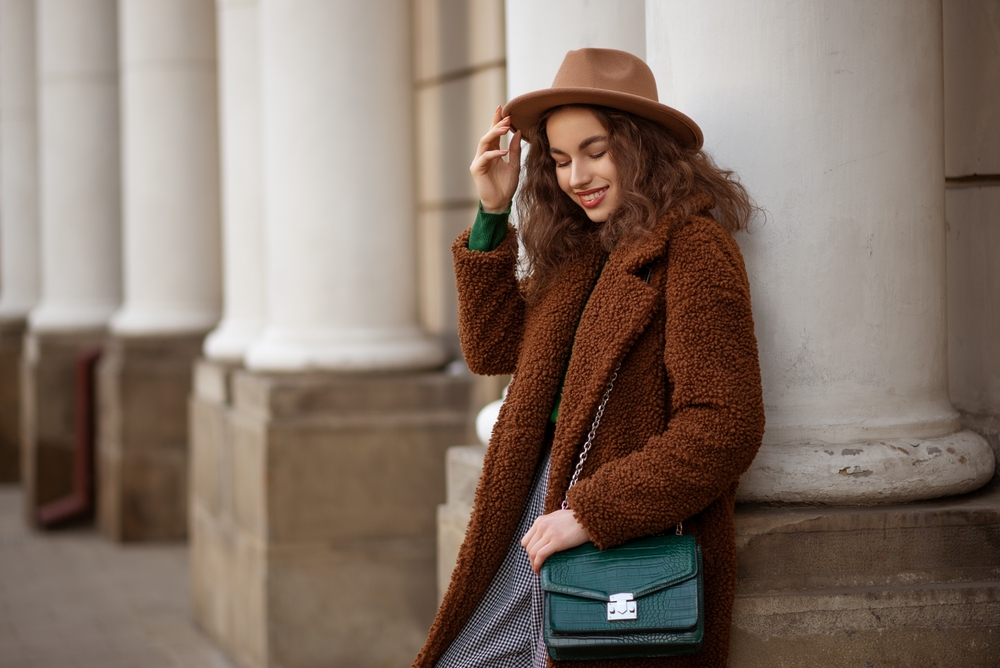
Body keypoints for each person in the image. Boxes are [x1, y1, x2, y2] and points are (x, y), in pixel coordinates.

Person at [414, 48, 765, 668]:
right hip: (530, 511)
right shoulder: (577, 253)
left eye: (596, 151)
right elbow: (492, 349)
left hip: (612, 531)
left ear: (644, 147)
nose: (577, 176)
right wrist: (493, 212)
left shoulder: (693, 251)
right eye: (559, 160)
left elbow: (724, 425)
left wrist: (592, 513)